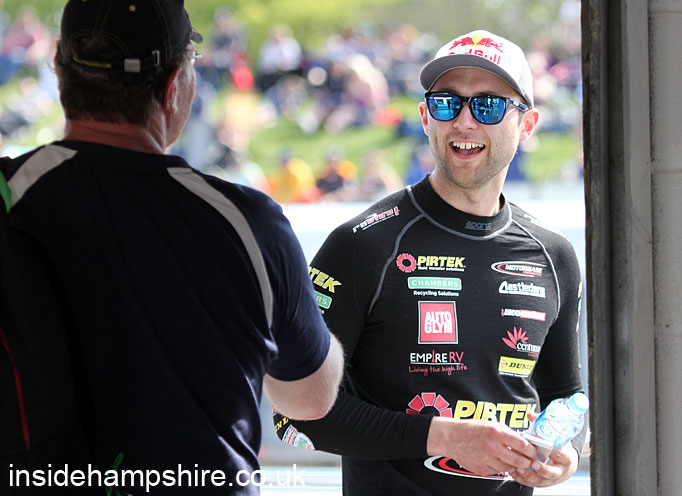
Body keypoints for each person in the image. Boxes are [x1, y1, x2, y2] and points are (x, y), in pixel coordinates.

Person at [0, 1, 343, 494]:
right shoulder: (248, 224)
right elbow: (310, 400)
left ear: (58, 67)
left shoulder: (9, 198)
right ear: (174, 85)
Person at [273, 30, 585, 495]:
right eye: (446, 103)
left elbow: (566, 397)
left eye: (487, 105)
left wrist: (567, 453)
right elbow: (291, 415)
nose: (464, 121)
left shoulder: (553, 254)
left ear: (527, 124)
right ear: (424, 117)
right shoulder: (363, 245)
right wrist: (441, 437)